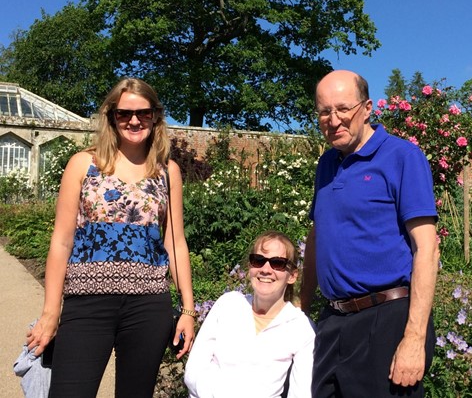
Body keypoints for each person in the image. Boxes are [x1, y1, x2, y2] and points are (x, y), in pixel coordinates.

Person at [25, 78, 196, 397]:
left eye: (144, 113)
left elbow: (175, 242)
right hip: (86, 302)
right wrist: (51, 312)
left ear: (155, 116)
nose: (134, 121)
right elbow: (61, 241)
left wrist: (187, 310)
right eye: (124, 114)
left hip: (148, 306)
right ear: (111, 117)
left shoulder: (166, 171)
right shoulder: (83, 164)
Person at [300, 70, 439, 397]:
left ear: (367, 108)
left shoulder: (402, 157)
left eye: (343, 109)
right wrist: (300, 309)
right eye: (324, 111)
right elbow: (317, 238)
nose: (333, 120)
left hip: (385, 323)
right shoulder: (326, 165)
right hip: (332, 323)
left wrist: (414, 339)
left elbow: (427, 249)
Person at [184, 230, 315, 398]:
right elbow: (195, 370)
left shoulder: (301, 328)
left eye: (278, 263)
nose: (266, 269)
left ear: (292, 276)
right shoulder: (228, 305)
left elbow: (302, 393)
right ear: (249, 267)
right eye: (258, 260)